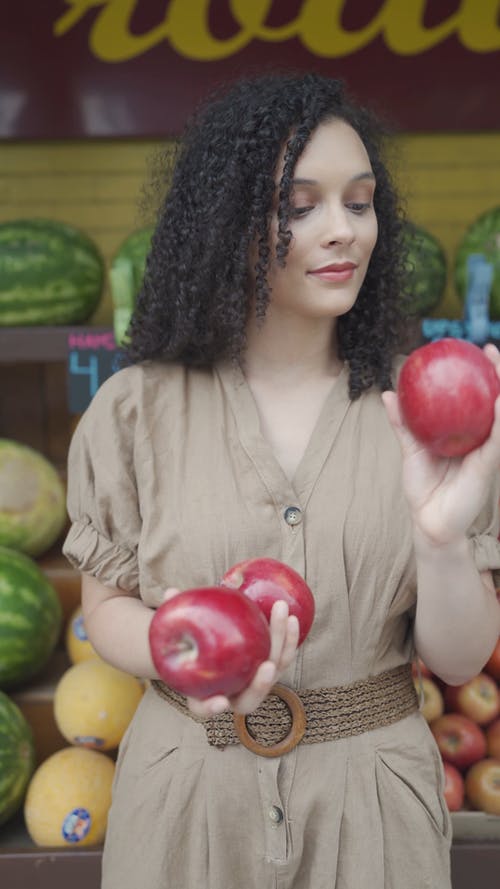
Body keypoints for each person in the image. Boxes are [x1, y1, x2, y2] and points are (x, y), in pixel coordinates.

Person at [63, 72, 500, 889]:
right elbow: (105, 608)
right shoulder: (134, 411)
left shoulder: (423, 412)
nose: (344, 231)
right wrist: (178, 657)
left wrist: (442, 540)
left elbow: (458, 656)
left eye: (360, 202)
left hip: (374, 814)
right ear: (227, 225)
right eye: (300, 207)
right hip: (188, 805)